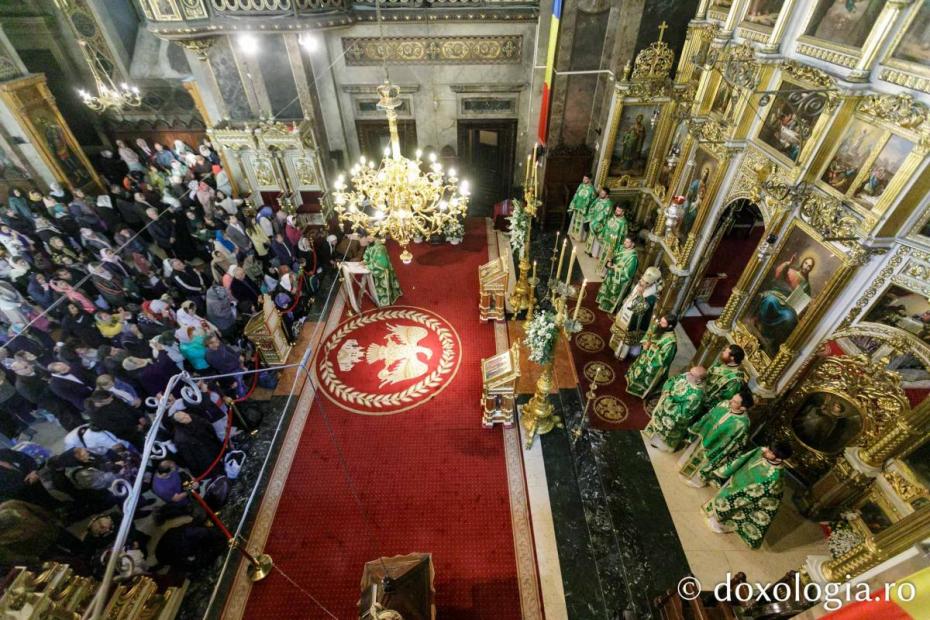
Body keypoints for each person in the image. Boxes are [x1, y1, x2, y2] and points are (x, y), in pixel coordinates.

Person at [703, 443, 792, 549]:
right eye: (768, 448)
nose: (766, 451)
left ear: (778, 458)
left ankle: (719, 524)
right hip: (737, 481)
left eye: (770, 452)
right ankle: (714, 514)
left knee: (731, 506)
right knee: (722, 497)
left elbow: (761, 493)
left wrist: (739, 495)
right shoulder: (761, 452)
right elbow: (742, 459)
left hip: (749, 494)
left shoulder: (775, 477)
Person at [678, 390, 753, 488]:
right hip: (705, 434)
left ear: (743, 407)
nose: (730, 401)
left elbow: (735, 443)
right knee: (694, 451)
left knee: (705, 462)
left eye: (734, 402)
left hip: (716, 447)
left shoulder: (742, 424)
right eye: (732, 398)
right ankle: (685, 467)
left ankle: (696, 481)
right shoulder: (724, 404)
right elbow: (710, 415)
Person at [643, 366, 707, 452]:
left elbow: (685, 414)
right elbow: (672, 380)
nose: (687, 374)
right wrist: (667, 390)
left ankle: (660, 445)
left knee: (666, 431)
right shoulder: (687, 376)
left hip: (673, 417)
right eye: (690, 372)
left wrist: (669, 401)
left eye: (692, 374)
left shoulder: (697, 396)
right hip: (665, 403)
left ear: (698, 380)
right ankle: (651, 434)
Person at [625, 313, 678, 399]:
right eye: (661, 321)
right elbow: (650, 333)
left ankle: (639, 390)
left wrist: (651, 346)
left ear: (670, 326)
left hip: (653, 364)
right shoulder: (660, 327)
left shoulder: (671, 342)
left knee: (644, 376)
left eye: (663, 323)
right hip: (645, 355)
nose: (660, 323)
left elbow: (664, 359)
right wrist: (645, 342)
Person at [596, 236, 638, 313]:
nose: (624, 243)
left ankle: (610, 307)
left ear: (632, 244)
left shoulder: (633, 258)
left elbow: (628, 273)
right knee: (607, 287)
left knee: (613, 292)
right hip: (611, 273)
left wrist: (615, 267)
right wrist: (609, 262)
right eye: (625, 241)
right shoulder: (620, 248)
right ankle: (602, 300)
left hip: (620, 279)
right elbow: (613, 256)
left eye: (627, 242)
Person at [702, 345, 746, 415]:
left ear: (732, 358)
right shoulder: (723, 362)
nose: (723, 352)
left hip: (707, 407)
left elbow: (724, 399)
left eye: (725, 352)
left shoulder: (735, 380)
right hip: (701, 393)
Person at [362, 236, 402, 307]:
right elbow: (367, 254)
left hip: (382, 273)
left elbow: (382, 264)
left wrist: (368, 266)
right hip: (375, 270)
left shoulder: (380, 248)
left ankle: (386, 302)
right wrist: (365, 261)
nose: (368, 239)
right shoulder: (371, 244)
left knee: (383, 287)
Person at [595, 205, 628, 272]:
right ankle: (599, 269)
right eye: (616, 210)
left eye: (618, 211)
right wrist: (602, 234)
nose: (616, 212)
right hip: (606, 241)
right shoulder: (613, 217)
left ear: (623, 212)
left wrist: (617, 246)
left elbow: (622, 236)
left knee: (609, 258)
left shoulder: (623, 223)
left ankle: (604, 273)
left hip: (613, 244)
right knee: (603, 255)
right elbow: (607, 226)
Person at [584, 188, 613, 257]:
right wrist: (590, 217)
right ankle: (588, 250)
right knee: (591, 236)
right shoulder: (598, 199)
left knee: (597, 238)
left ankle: (595, 253)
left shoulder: (609, 204)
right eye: (600, 193)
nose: (600, 194)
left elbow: (605, 214)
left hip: (601, 223)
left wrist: (595, 221)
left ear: (607, 196)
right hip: (594, 220)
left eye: (603, 194)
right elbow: (592, 207)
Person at [568, 175, 596, 240]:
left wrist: (586, 207)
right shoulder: (581, 185)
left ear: (589, 180)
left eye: (585, 179)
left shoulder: (591, 189)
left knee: (581, 224)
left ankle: (579, 237)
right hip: (577, 207)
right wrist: (573, 203)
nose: (584, 180)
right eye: (583, 178)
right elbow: (576, 194)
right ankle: (573, 234)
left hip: (584, 210)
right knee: (575, 221)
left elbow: (592, 200)